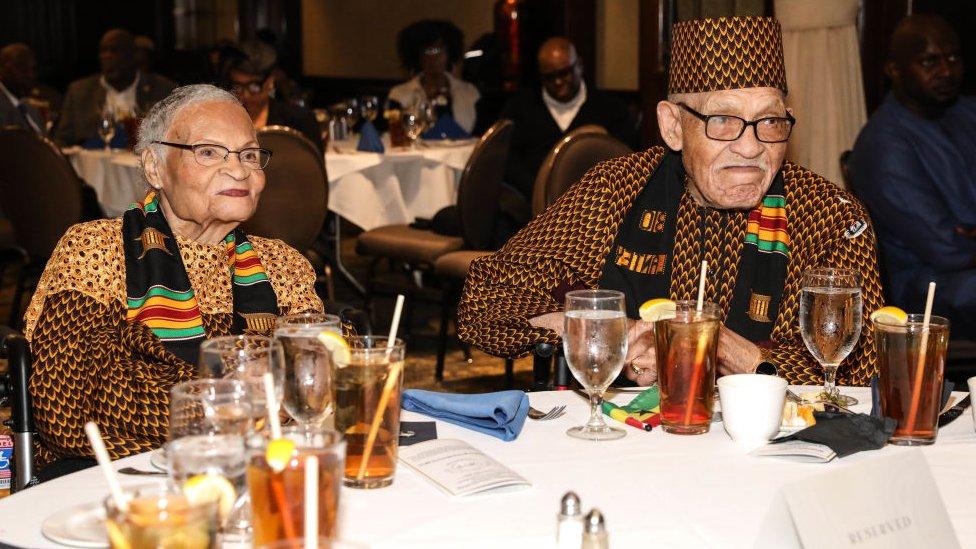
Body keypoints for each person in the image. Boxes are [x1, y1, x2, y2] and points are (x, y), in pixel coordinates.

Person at [458, 16, 885, 387]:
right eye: (723, 121)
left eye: (770, 121)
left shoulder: (829, 217)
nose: (752, 147)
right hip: (622, 442)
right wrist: (609, 333)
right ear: (673, 125)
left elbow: (864, 367)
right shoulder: (616, 191)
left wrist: (734, 354)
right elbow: (487, 298)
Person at [24, 84, 323, 473]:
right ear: (154, 167)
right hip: (115, 481)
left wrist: (150, 381)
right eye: (208, 152)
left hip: (260, 473)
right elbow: (68, 408)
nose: (238, 169)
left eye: (249, 154)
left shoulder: (282, 263)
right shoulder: (95, 251)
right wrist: (243, 398)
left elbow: (325, 378)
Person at [849, 14, 976, 336]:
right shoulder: (884, 144)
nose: (946, 71)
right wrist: (961, 236)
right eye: (929, 62)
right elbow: (947, 248)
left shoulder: (967, 113)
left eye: (952, 58)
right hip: (928, 288)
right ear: (894, 70)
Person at [500, 37, 639, 202]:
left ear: (579, 65)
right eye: (549, 77)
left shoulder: (610, 109)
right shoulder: (519, 108)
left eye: (564, 73)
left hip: (597, 208)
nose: (558, 82)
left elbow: (629, 157)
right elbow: (508, 160)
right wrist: (538, 194)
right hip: (535, 208)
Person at [54, 29, 176, 146]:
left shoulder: (161, 89)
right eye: (103, 51)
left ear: (133, 55)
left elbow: (174, 137)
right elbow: (62, 141)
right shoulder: (79, 92)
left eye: (114, 51)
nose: (107, 56)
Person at [388, 19, 481, 134]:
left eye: (439, 50)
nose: (433, 58)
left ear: (449, 53)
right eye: (427, 51)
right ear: (417, 56)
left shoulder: (469, 93)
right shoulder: (399, 95)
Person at [224, 40, 320, 148]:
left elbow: (314, 163)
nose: (245, 95)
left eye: (254, 87)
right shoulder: (225, 119)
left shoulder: (299, 119)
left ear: (270, 80)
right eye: (238, 87)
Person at [0, 43, 44, 134]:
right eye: (22, 68)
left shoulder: (32, 111)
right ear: (3, 69)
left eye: (32, 69)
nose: (29, 75)